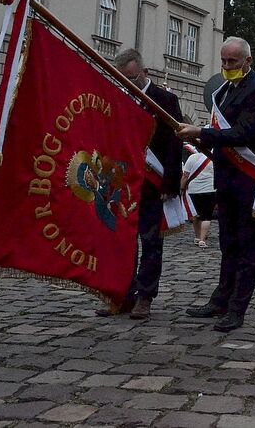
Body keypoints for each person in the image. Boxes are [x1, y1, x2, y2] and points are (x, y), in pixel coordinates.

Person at [178, 38, 255, 332]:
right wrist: (201, 141)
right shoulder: (225, 91)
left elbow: (242, 133)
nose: (227, 67)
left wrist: (202, 132)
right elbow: (221, 139)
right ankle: (221, 299)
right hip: (227, 177)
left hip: (250, 179)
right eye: (223, 61)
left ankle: (237, 308)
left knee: (247, 246)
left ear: (248, 61)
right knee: (228, 243)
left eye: (232, 62)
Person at [100, 50, 182, 320]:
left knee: (150, 242)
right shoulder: (119, 97)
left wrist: (170, 181)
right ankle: (123, 293)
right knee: (122, 241)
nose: (126, 83)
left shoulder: (164, 99)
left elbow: (174, 142)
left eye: (131, 79)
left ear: (144, 73)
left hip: (152, 183)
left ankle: (145, 296)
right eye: (122, 79)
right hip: (124, 183)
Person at [181, 150, 214, 248]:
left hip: (193, 190)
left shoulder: (192, 157)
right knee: (207, 216)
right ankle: (202, 239)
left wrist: (181, 188)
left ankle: (198, 236)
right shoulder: (212, 157)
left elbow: (185, 175)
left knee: (197, 214)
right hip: (210, 188)